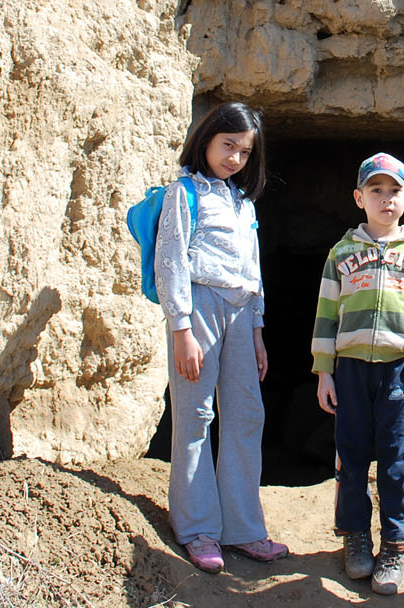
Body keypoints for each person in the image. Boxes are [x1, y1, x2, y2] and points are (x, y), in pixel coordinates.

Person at [155, 101, 288, 573]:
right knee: (194, 416)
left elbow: (253, 273)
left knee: (246, 416)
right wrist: (181, 328)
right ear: (206, 140)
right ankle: (197, 529)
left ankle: (244, 529)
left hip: (239, 313)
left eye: (245, 151)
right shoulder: (184, 192)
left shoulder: (242, 203)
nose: (234, 158)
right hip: (199, 307)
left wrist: (257, 332)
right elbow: (170, 260)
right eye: (227, 145)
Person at [311, 152, 404, 596]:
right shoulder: (341, 252)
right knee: (350, 456)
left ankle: (395, 544)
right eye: (376, 190)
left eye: (393, 191)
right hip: (349, 369)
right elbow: (326, 314)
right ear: (358, 197)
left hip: (399, 371)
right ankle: (355, 538)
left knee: (394, 458)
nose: (385, 199)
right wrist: (323, 371)